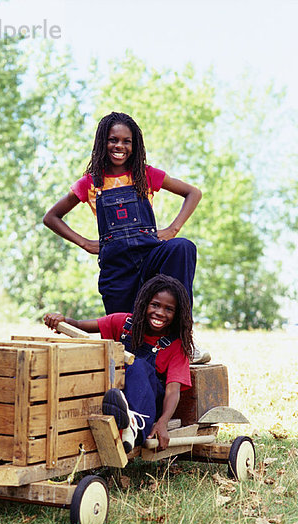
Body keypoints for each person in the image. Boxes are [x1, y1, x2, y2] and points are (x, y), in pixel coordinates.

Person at [43, 111, 210, 364]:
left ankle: (183, 341)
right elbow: (51, 217)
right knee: (128, 346)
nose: (119, 146)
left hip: (150, 258)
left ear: (134, 145)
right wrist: (86, 243)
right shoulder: (90, 183)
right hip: (117, 270)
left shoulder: (146, 174)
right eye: (113, 140)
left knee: (182, 248)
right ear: (103, 142)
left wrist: (172, 230)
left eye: (126, 141)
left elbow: (193, 193)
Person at [43, 274, 193, 452]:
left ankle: (134, 426)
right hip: (116, 393)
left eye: (169, 309)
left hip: (147, 403)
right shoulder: (123, 323)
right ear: (144, 303)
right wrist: (61, 320)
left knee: (138, 366)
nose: (160, 312)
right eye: (155, 305)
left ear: (177, 315)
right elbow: (78, 325)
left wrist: (162, 422)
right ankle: (119, 416)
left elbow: (172, 390)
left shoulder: (176, 345)